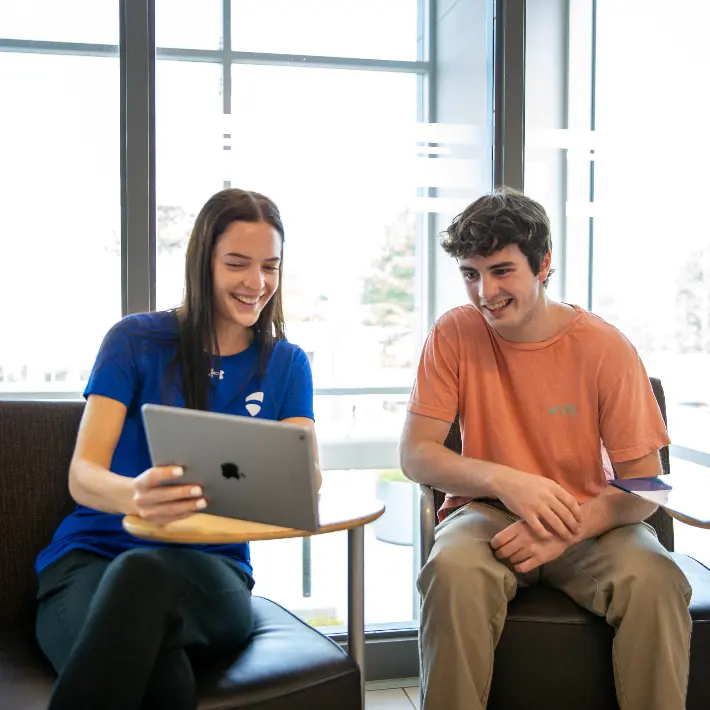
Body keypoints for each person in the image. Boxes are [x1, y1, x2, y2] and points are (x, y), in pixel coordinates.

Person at [400, 187, 692, 710]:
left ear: (543, 264)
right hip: (488, 517)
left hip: (592, 520)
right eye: (471, 273)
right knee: (452, 571)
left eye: (501, 270)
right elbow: (417, 455)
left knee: (658, 581)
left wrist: (567, 529)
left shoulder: (606, 348)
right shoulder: (453, 333)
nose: (484, 292)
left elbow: (646, 485)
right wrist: (506, 480)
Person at [35, 188, 321, 710]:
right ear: (202, 261)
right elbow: (84, 474)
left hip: (211, 576)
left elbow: (304, 476)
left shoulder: (286, 363)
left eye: (270, 267)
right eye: (237, 264)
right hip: (93, 558)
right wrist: (134, 497)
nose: (256, 283)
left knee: (146, 574)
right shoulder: (135, 341)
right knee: (160, 674)